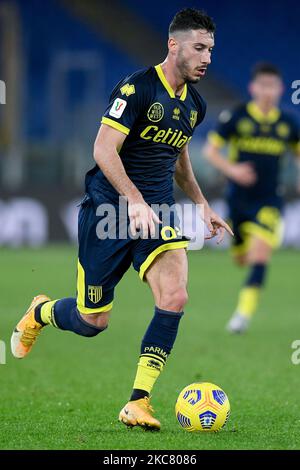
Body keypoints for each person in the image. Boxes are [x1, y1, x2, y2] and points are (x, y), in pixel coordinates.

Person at [11, 8, 232, 430]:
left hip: (157, 214)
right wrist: (131, 199)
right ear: (174, 45)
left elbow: (178, 158)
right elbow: (102, 149)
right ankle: (40, 312)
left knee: (175, 296)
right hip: (108, 212)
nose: (207, 58)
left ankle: (138, 401)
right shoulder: (137, 88)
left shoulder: (195, 105)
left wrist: (202, 203)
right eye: (200, 48)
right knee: (93, 322)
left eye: (211, 50)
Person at [204, 63, 300, 333]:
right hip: (238, 200)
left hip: (270, 200)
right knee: (241, 258)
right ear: (253, 88)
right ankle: (239, 249)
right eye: (263, 86)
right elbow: (211, 151)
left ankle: (242, 316)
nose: (268, 92)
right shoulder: (237, 117)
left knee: (260, 254)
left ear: (280, 89)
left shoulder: (288, 123)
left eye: (273, 86)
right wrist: (232, 169)